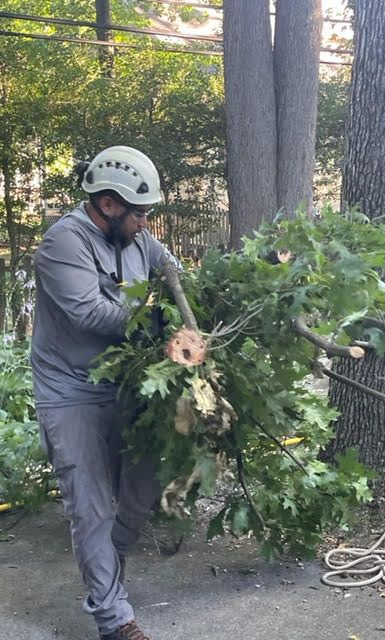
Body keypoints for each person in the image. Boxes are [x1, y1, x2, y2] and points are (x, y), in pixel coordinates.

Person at [31, 146, 181, 640]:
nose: (147, 223)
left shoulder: (137, 238)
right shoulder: (62, 243)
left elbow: (172, 269)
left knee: (139, 494)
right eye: (140, 213)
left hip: (126, 383)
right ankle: (114, 619)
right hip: (70, 389)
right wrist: (158, 324)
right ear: (109, 205)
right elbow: (91, 314)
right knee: (91, 504)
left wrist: (192, 299)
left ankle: (106, 574)